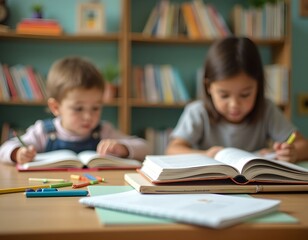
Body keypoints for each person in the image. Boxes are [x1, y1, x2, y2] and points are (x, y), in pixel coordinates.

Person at [166, 36, 308, 163]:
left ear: (258, 86)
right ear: (208, 87)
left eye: (245, 94)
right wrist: (205, 155)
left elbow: (303, 145)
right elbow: (172, 149)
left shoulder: (266, 109)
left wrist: (290, 152)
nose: (234, 105)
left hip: (255, 187)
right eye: (224, 95)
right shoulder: (198, 111)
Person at [0, 56, 150, 165]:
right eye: (78, 108)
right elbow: (4, 149)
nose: (88, 116)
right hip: (50, 193)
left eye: (96, 108)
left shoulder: (104, 130)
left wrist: (122, 148)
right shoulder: (43, 131)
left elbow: (145, 147)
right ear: (55, 107)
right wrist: (18, 153)